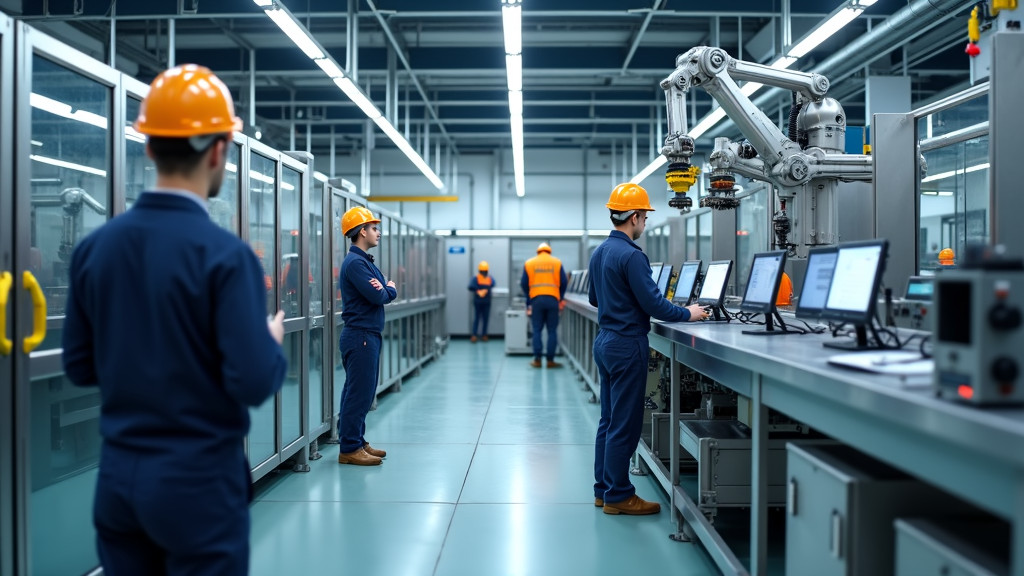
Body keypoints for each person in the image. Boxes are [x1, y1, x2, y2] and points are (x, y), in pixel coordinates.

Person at [61, 64, 287, 575]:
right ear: (218, 151)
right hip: (198, 482)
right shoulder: (226, 256)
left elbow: (79, 366)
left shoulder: (94, 250)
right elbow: (251, 381)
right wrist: (269, 342)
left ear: (147, 147)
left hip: (118, 480)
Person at [588, 182, 708, 516]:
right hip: (627, 345)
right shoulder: (632, 256)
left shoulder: (599, 253)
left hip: (606, 342)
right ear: (636, 217)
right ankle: (619, 495)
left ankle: (603, 489)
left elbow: (595, 299)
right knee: (624, 424)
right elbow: (656, 305)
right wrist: (690, 313)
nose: (645, 224)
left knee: (609, 420)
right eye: (644, 218)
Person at [337, 206, 397, 466]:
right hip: (360, 335)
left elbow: (383, 289)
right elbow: (381, 294)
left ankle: (356, 440)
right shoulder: (356, 264)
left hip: (367, 334)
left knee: (361, 390)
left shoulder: (364, 262)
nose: (378, 233)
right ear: (362, 231)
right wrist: (389, 290)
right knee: (359, 393)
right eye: (374, 228)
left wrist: (387, 289)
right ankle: (350, 447)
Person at [520, 242, 568, 368]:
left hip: (536, 300)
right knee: (552, 331)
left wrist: (528, 299)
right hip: (553, 300)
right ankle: (550, 361)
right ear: (549, 251)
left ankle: (537, 360)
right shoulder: (557, 262)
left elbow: (524, 283)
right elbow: (564, 282)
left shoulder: (529, 263)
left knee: (537, 330)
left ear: (538, 251)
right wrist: (560, 298)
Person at [468, 260, 494, 342]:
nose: (484, 272)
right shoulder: (475, 278)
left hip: (486, 301)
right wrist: (478, 291)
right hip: (478, 301)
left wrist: (486, 290)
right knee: (477, 318)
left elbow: (493, 284)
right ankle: (474, 335)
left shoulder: (490, 278)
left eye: (485, 271)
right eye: (483, 271)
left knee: (485, 318)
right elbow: (470, 287)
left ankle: (484, 335)